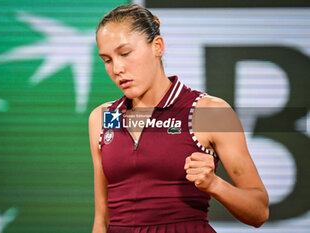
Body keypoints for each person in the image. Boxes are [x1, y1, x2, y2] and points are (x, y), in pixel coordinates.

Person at [89, 4, 269, 233]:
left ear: (157, 46)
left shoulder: (210, 112)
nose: (117, 68)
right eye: (107, 60)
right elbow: (101, 220)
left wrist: (215, 184)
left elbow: (259, 211)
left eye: (125, 54)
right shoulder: (103, 117)